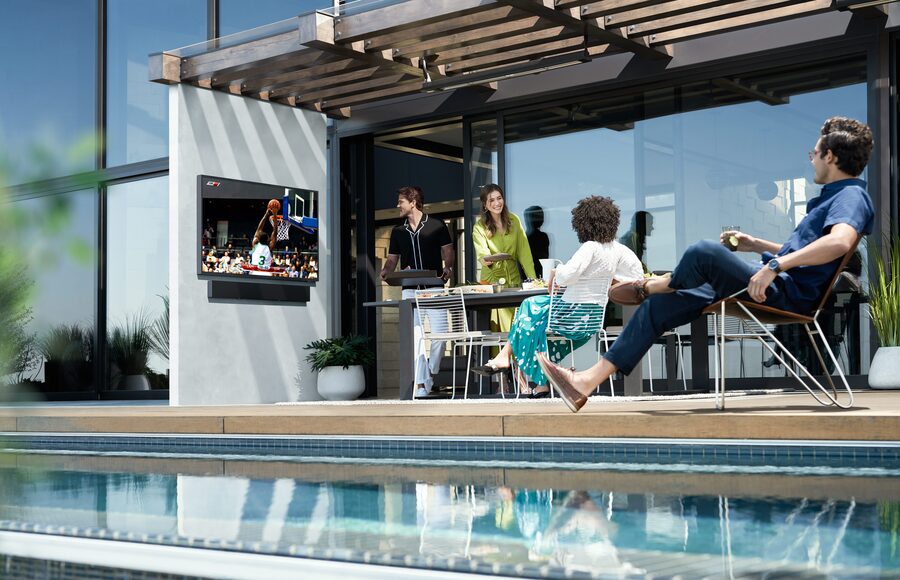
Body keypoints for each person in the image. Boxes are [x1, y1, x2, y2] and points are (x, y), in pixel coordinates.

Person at [537, 116, 875, 412]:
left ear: (830, 156)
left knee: (703, 251)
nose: (812, 159)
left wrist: (774, 266)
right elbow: (808, 248)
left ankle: (657, 283)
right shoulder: (834, 197)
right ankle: (586, 382)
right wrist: (756, 245)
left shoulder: (851, 196)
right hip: (774, 284)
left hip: (785, 293)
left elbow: (839, 242)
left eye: (814, 153)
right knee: (659, 308)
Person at [472, 196, 644, 396]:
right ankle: (537, 380)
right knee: (535, 322)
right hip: (591, 319)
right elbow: (637, 275)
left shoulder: (590, 247)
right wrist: (610, 280)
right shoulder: (618, 250)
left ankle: (511, 361)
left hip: (571, 315)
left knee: (529, 306)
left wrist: (555, 271)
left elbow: (566, 276)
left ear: (584, 223)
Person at [380, 186, 455, 398]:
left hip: (434, 287)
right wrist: (386, 271)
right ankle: (421, 384)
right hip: (410, 291)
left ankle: (430, 371)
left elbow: (448, 252)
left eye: (401, 201)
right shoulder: (398, 231)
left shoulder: (437, 225)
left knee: (441, 336)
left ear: (413, 202)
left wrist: (448, 268)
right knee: (416, 338)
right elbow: (393, 259)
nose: (397, 205)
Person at [472, 184, 537, 333]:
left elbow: (524, 252)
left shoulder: (514, 220)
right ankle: (498, 356)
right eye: (491, 200)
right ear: (485, 205)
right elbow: (482, 254)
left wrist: (533, 280)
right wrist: (487, 259)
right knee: (498, 327)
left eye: (499, 198)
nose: (496, 203)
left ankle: (516, 356)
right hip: (491, 280)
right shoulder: (479, 226)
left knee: (516, 323)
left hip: (513, 278)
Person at [524, 205, 551, 279]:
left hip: (526, 276)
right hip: (540, 275)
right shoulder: (542, 237)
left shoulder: (524, 237)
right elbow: (544, 259)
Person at [250, 206, 278, 271]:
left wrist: (266, 215)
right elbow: (275, 231)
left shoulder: (255, 244)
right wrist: (274, 215)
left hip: (255, 271)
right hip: (266, 272)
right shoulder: (270, 247)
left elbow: (259, 229)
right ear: (268, 240)